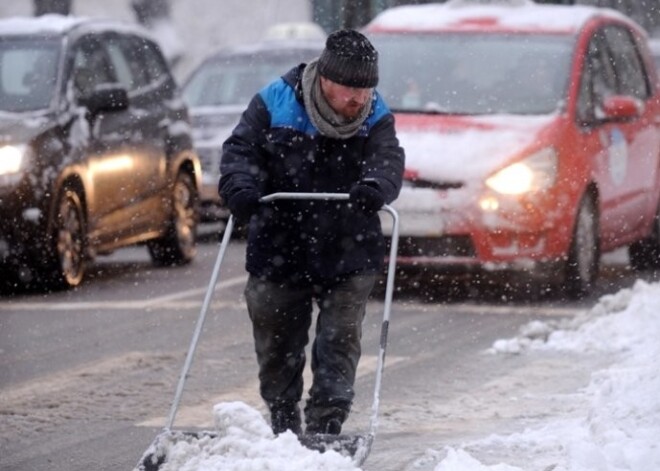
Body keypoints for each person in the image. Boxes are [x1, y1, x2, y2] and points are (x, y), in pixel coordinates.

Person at [218, 29, 405, 436]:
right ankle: (284, 415)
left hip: (349, 245)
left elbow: (388, 160)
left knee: (339, 338)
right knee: (276, 335)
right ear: (325, 78)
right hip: (280, 242)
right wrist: (241, 188)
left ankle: (327, 424)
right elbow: (239, 152)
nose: (359, 98)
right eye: (350, 88)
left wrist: (375, 186)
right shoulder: (274, 102)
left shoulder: (375, 115)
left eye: (366, 88)